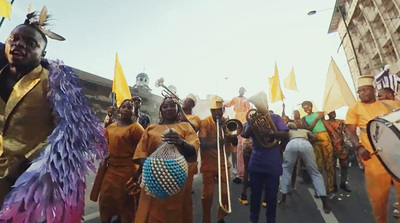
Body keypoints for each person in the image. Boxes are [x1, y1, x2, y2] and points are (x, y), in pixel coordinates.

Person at [0, 7, 106, 222]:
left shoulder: (55, 84)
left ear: (43, 54)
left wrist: (30, 163)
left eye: (30, 43)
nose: (18, 44)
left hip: (24, 183)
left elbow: (68, 134)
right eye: (14, 38)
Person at [133, 96, 199, 223]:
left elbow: (193, 152)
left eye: (171, 105)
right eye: (165, 106)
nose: (168, 108)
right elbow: (141, 153)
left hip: (176, 182)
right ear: (161, 111)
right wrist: (152, 170)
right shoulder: (151, 128)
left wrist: (181, 143)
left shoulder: (186, 127)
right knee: (149, 214)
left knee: (174, 215)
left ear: (177, 109)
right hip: (152, 180)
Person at [345, 75, 400, 223]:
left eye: (364, 90)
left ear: (373, 89)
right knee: (379, 198)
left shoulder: (390, 105)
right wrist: (359, 147)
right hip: (374, 158)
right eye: (359, 91)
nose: (361, 93)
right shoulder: (355, 109)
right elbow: (349, 130)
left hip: (396, 157)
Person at [241, 92, 288, 223]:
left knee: (272, 198)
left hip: (272, 163)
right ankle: (253, 219)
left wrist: (270, 132)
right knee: (254, 197)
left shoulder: (276, 118)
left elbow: (285, 135)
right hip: (256, 163)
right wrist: (250, 127)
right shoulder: (252, 119)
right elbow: (244, 135)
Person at [98, 99, 144, 223]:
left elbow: (144, 150)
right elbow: (104, 145)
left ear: (134, 112)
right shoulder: (111, 127)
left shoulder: (136, 128)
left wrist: (138, 172)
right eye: (124, 107)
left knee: (126, 207)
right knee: (105, 201)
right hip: (111, 171)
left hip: (128, 172)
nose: (126, 109)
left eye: (130, 108)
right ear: (119, 109)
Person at [199, 96, 238, 223]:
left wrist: (230, 136)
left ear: (222, 110)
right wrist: (216, 142)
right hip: (208, 164)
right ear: (210, 111)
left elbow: (236, 142)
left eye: (219, 110)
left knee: (226, 194)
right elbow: (203, 143)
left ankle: (221, 217)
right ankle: (206, 219)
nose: (216, 113)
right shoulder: (205, 122)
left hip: (223, 163)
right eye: (213, 111)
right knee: (207, 196)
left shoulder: (227, 122)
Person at [278, 122, 331, 213]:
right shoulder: (304, 130)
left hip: (292, 143)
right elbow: (314, 137)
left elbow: (282, 140)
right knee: (315, 173)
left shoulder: (288, 132)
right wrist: (307, 143)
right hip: (305, 143)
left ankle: (283, 200)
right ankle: (325, 204)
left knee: (286, 171)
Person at [302, 101, 341, 198]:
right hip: (315, 140)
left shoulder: (319, 114)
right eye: (304, 108)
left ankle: (330, 189)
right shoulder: (305, 118)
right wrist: (316, 119)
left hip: (325, 138)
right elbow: (309, 128)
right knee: (317, 166)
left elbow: (326, 125)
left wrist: (336, 135)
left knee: (329, 164)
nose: (306, 109)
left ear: (311, 107)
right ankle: (319, 189)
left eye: (307, 107)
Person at [178, 93, 201, 223]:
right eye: (184, 100)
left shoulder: (195, 118)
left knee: (185, 193)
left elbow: (191, 127)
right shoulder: (177, 114)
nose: (184, 101)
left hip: (188, 157)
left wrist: (180, 111)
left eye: (187, 101)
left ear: (192, 104)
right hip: (174, 155)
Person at [224, 87, 250, 184]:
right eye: (241, 91)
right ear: (239, 91)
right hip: (237, 122)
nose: (242, 92)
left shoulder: (246, 100)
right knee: (239, 149)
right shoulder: (235, 99)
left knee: (246, 148)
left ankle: (247, 174)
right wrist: (221, 106)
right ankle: (240, 174)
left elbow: (250, 111)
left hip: (245, 123)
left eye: (243, 91)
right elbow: (227, 104)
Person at [326, 111, 351, 193]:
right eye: (331, 112)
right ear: (328, 114)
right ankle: (333, 186)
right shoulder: (325, 123)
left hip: (342, 145)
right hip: (331, 146)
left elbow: (347, 131)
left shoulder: (341, 121)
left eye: (334, 112)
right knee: (332, 167)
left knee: (344, 165)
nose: (333, 114)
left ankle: (343, 184)